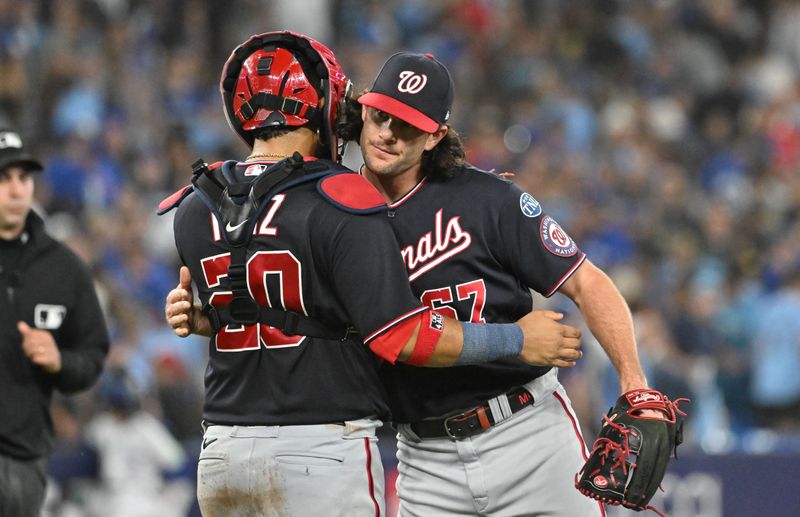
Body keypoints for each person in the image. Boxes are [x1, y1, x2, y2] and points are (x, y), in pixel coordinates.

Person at [160, 32, 583, 517]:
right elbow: (400, 336)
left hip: (222, 450)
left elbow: (268, 301)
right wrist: (514, 340)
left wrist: (208, 321)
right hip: (320, 447)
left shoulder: (194, 204)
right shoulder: (339, 194)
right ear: (323, 103)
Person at [336, 51, 658, 516]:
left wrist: (633, 381)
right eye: (380, 115)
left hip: (527, 434)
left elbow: (587, 281)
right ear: (364, 110)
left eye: (406, 124)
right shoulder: (336, 212)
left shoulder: (489, 200)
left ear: (435, 136)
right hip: (425, 458)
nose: (386, 133)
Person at [0, 128, 110, 517]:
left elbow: (94, 353)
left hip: (24, 459)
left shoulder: (65, 269)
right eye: (4, 178)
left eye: (23, 178)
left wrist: (59, 361)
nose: (16, 190)